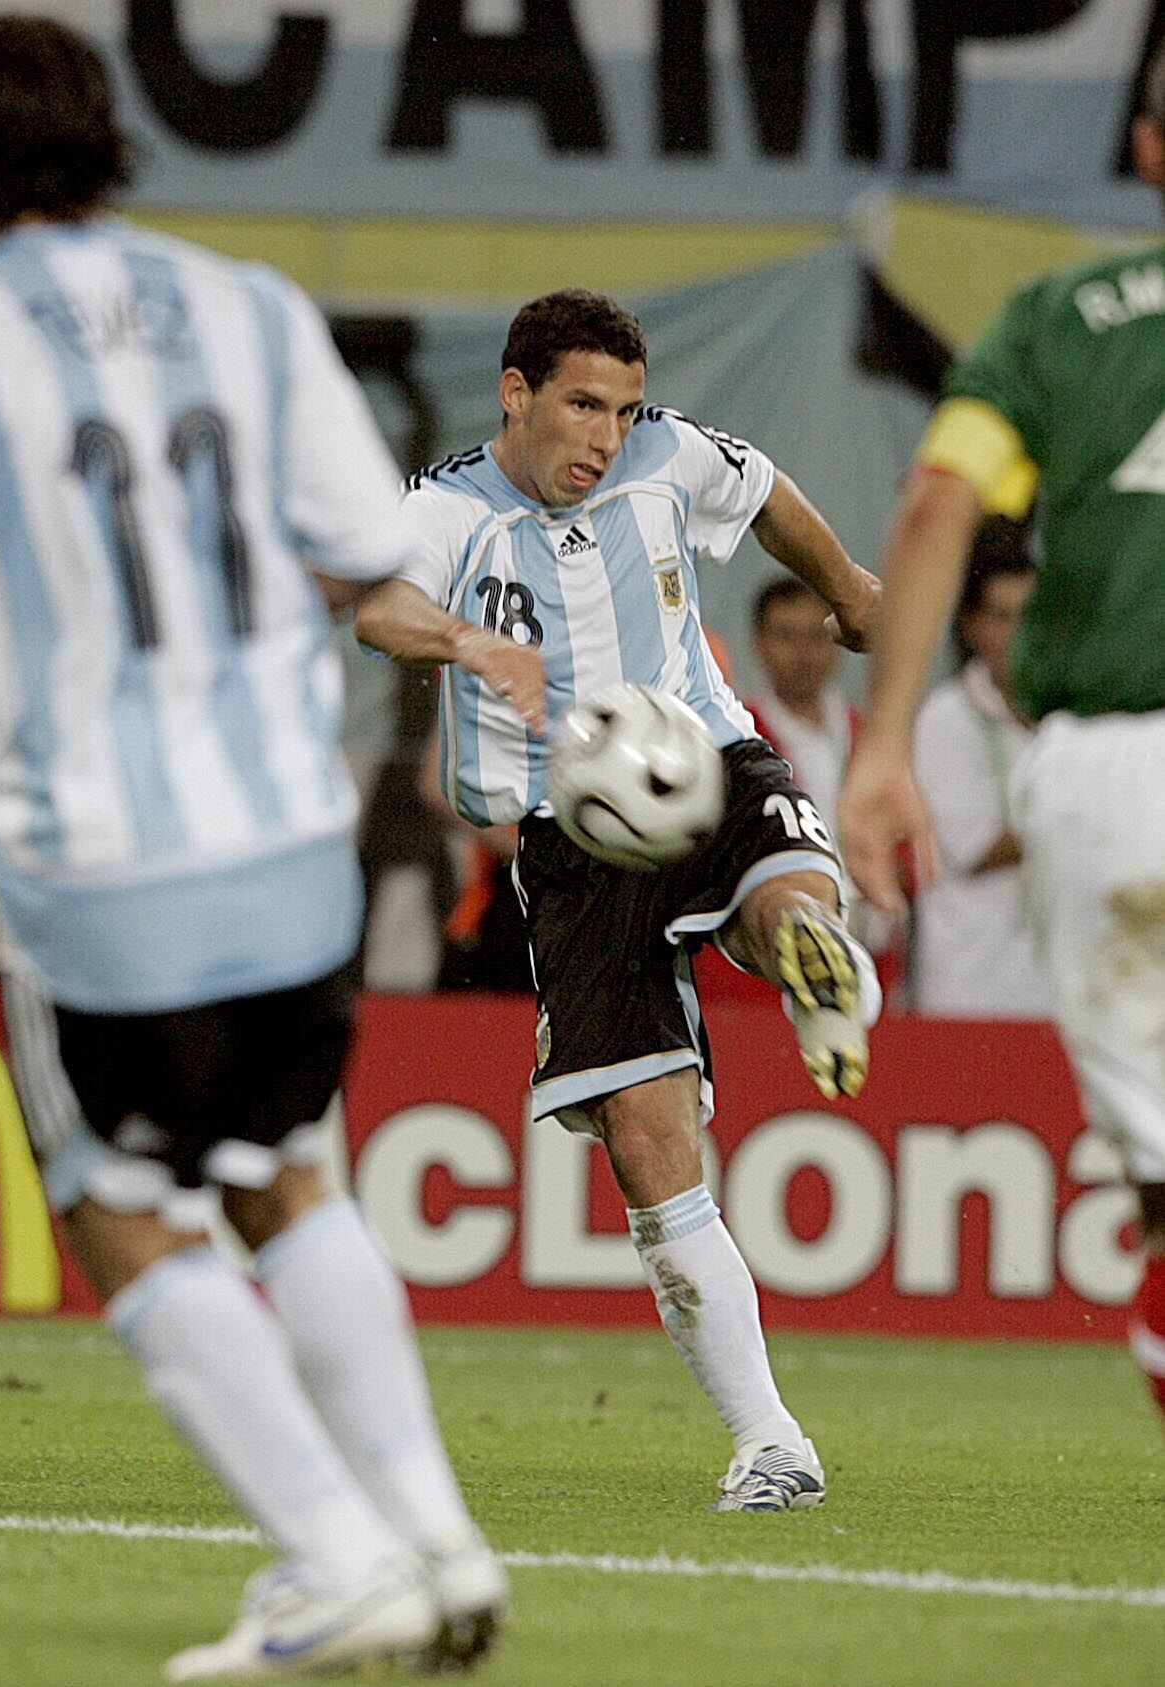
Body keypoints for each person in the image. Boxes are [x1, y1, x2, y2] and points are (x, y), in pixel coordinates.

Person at [0, 18, 504, 1677]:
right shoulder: (256, 311)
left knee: (119, 1209)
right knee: (283, 1172)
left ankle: (341, 1556)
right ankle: (433, 1531)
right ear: (114, 140)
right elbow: (361, 556)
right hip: (288, 839)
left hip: (99, 863)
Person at [354, 289, 882, 1512]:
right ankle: (773, 1444)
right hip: (568, 838)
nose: (605, 434)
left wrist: (850, 586)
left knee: (774, 868)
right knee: (650, 1151)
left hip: (695, 757)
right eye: (582, 404)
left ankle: (806, 949)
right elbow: (377, 606)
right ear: (515, 392)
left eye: (623, 408)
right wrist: (465, 644)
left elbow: (766, 496)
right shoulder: (448, 508)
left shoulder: (665, 457)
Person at [839, 46, 1165, 1443]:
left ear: (1148, 149)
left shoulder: (1061, 322)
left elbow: (934, 511)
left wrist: (884, 742)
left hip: (1119, 776)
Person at [908, 544, 1047, 1018]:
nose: (1020, 633)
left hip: (1052, 989)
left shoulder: (1066, 716)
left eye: (1031, 615)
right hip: (968, 988)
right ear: (971, 624)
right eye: (1003, 617)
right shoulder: (945, 717)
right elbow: (972, 846)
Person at [743, 575, 856, 837]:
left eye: (817, 636)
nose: (803, 653)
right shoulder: (743, 737)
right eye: (787, 636)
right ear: (758, 643)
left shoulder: (866, 732)